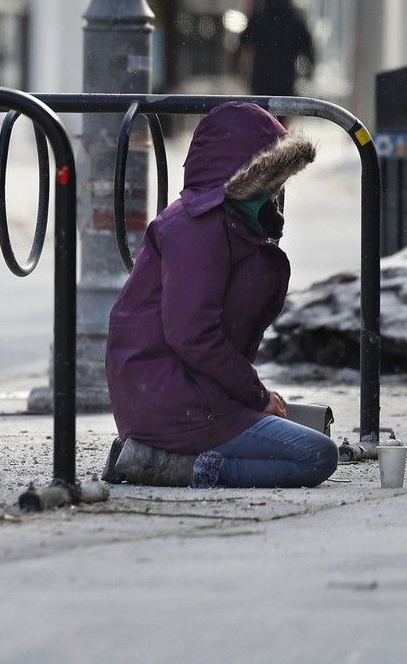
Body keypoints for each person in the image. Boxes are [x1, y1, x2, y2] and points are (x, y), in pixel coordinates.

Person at [102, 102, 338, 489]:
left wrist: (251, 396)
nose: (279, 187)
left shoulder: (230, 223)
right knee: (315, 455)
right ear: (247, 174)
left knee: (306, 441)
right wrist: (255, 394)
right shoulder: (198, 227)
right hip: (172, 402)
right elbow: (193, 333)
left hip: (189, 395)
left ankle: (160, 457)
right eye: (273, 173)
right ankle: (171, 466)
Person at [239, 0, 315, 98]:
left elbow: (244, 41)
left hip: (261, 80)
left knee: (262, 115)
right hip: (285, 81)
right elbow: (307, 47)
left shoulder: (260, 16)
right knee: (280, 114)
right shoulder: (294, 19)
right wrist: (308, 74)